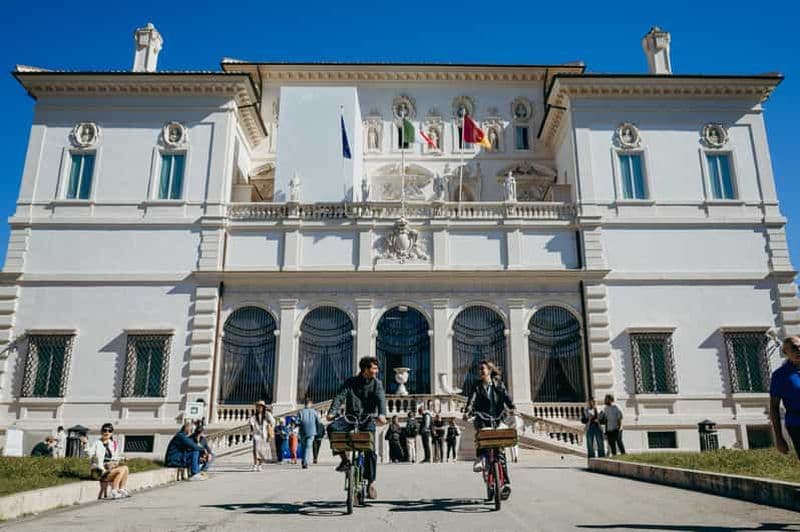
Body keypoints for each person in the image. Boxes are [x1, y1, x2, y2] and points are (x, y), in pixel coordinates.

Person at [327, 356, 387, 500]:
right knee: (332, 428)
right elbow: (340, 396)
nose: (376, 371)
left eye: (377, 368)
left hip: (367, 419)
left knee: (370, 451)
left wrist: (382, 414)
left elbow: (381, 399)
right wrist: (332, 412)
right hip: (350, 417)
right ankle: (344, 460)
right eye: (374, 368)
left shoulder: (377, 384)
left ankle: (371, 483)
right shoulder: (351, 382)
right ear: (365, 369)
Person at [464, 359, 516, 500]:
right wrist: (468, 411)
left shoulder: (498, 384)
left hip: (498, 418)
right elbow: (472, 400)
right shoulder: (477, 386)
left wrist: (512, 408)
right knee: (482, 433)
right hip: (483, 418)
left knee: (500, 452)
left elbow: (506, 397)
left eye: (483, 368)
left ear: (489, 370)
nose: (480, 371)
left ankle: (505, 483)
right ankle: (480, 457)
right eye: (479, 369)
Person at [82, 423, 130, 499]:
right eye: (105, 430)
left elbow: (115, 458)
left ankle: (121, 489)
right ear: (101, 432)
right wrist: (85, 444)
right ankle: (114, 490)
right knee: (123, 469)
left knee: (126, 468)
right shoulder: (97, 443)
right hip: (99, 472)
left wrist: (117, 461)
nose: (107, 432)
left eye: (109, 430)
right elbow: (89, 455)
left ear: (112, 433)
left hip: (109, 471)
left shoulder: (113, 444)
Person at [770, 336, 800, 458]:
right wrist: (778, 437)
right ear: (785, 352)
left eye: (799, 347)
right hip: (797, 425)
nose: (798, 350)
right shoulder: (780, 376)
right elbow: (774, 407)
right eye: (793, 348)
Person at [249, 401, 273, 471]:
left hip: (264, 436)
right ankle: (255, 464)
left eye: (261, 406)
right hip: (256, 436)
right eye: (258, 406)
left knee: (262, 451)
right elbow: (251, 424)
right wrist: (252, 431)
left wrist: (268, 414)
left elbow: (272, 422)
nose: (259, 408)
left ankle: (260, 464)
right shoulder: (254, 416)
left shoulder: (266, 416)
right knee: (256, 450)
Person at [298, 398, 321, 469]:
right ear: (310, 404)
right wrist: (317, 430)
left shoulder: (301, 412)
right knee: (308, 447)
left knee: (303, 447)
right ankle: (305, 462)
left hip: (303, 432)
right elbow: (318, 422)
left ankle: (303, 460)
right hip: (311, 432)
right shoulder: (314, 412)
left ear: (304, 404)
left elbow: (298, 422)